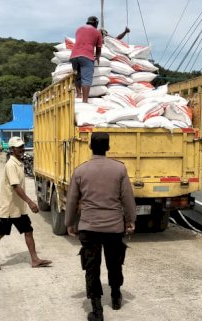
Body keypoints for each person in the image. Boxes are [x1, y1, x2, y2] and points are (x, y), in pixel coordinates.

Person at [65, 132, 136, 321]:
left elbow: (72, 200)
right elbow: (127, 198)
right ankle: (115, 297)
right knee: (114, 263)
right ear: (108, 147)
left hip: (89, 227)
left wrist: (69, 223)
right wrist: (130, 220)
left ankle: (97, 310)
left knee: (91, 267)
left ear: (90, 147)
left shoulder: (80, 171)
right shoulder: (119, 169)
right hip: (114, 227)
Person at [0, 136, 51, 271]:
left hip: (18, 208)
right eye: (18, 147)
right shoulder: (11, 165)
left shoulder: (18, 163)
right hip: (9, 209)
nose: (21, 149)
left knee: (28, 231)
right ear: (12, 149)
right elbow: (16, 186)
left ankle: (35, 260)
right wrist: (31, 202)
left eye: (22, 146)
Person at [70, 16, 103, 103]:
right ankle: (85, 101)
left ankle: (78, 94)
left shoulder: (78, 29)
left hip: (74, 56)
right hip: (86, 56)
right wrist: (98, 57)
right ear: (96, 23)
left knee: (77, 76)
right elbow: (98, 49)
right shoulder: (97, 33)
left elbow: (82, 40)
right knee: (86, 79)